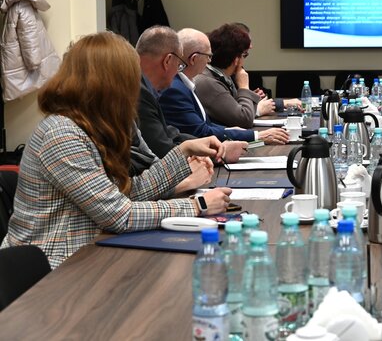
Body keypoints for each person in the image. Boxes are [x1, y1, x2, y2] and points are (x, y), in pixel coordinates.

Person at [0, 32, 231, 269]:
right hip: (51, 267)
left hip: (85, 255)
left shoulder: (89, 125)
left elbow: (126, 193)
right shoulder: (62, 134)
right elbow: (119, 215)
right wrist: (197, 206)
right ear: (110, 85)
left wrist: (182, 152)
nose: (134, 90)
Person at [159, 28, 289, 145]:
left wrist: (228, 130)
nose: (209, 61)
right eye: (208, 56)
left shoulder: (185, 83)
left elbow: (206, 124)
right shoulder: (177, 88)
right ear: (194, 59)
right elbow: (201, 132)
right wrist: (256, 136)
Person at [136, 26, 249, 159]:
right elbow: (162, 150)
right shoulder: (140, 93)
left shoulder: (145, 88)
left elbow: (169, 133)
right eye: (179, 65)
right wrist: (216, 153)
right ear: (167, 61)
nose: (178, 72)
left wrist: (205, 144)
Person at [194, 23, 301, 128]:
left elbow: (235, 107)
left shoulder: (219, 75)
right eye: (244, 55)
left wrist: (250, 97)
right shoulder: (209, 82)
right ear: (236, 59)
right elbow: (244, 119)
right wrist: (244, 87)